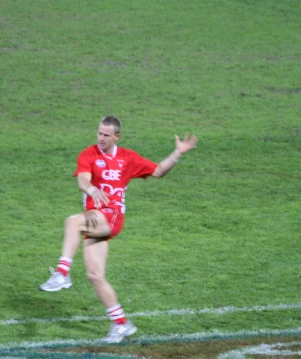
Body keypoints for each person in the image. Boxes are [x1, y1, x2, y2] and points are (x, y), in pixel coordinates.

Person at [40, 115, 198, 342]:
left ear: (116, 136)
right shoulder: (89, 154)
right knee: (95, 275)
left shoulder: (127, 158)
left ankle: (62, 273)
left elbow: (158, 172)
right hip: (95, 219)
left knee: (72, 221)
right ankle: (121, 324)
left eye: (106, 135)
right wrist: (92, 190)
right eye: (99, 133)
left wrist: (177, 154)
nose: (101, 138)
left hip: (111, 216)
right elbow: (82, 180)